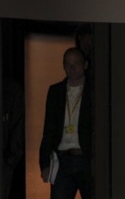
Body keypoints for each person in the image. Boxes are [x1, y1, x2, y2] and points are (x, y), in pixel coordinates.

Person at [39, 47, 94, 199]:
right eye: (68, 64)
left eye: (76, 63)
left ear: (85, 65)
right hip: (63, 160)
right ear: (63, 66)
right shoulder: (56, 92)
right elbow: (48, 130)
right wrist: (44, 163)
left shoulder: (94, 91)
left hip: (87, 160)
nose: (72, 68)